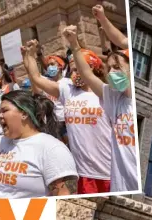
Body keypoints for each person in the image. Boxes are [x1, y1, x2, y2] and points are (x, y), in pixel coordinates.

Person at [21, 39, 113, 194]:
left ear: (91, 67)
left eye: (78, 69)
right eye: (72, 70)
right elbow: (36, 78)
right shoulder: (67, 89)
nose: (75, 73)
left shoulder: (106, 92)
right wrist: (30, 55)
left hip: (109, 171)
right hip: (82, 173)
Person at [62, 24, 137, 192]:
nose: (111, 73)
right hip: (120, 188)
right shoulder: (114, 99)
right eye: (109, 68)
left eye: (117, 67)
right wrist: (74, 43)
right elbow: (87, 74)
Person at [0, 90, 78, 198]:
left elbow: (66, 202)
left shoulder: (52, 149)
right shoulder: (2, 142)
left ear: (24, 113)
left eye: (5, 111)